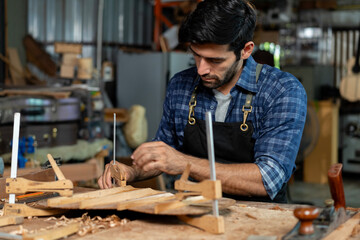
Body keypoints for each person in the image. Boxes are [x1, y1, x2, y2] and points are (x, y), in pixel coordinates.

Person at [98, 0, 307, 203]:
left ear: (246, 50)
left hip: (260, 218)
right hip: (194, 208)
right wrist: (131, 171)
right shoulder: (181, 85)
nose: (201, 70)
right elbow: (162, 155)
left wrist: (183, 163)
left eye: (215, 60)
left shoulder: (282, 91)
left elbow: (267, 180)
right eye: (197, 55)